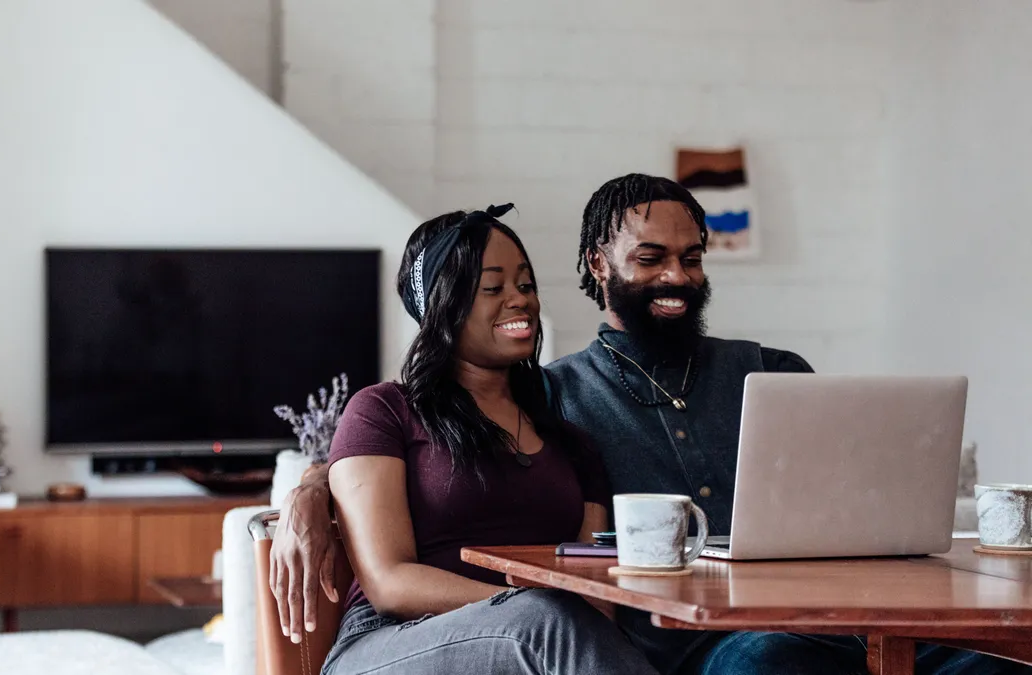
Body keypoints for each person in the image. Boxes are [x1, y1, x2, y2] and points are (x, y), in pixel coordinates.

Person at [272, 175, 1030, 675]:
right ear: (599, 266)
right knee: (752, 658)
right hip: (671, 643)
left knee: (988, 665)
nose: (677, 274)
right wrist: (308, 487)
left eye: (692, 257)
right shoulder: (556, 397)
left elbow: (590, 570)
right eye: (652, 256)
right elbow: (388, 545)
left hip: (814, 623)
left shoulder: (577, 424)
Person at [302, 205, 657, 675]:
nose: (520, 300)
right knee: (545, 621)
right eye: (493, 287)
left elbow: (593, 594)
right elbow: (389, 583)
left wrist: (551, 613)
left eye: (525, 285)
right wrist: (527, 606)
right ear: (443, 307)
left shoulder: (572, 442)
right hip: (391, 643)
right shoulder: (384, 411)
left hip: (543, 641)